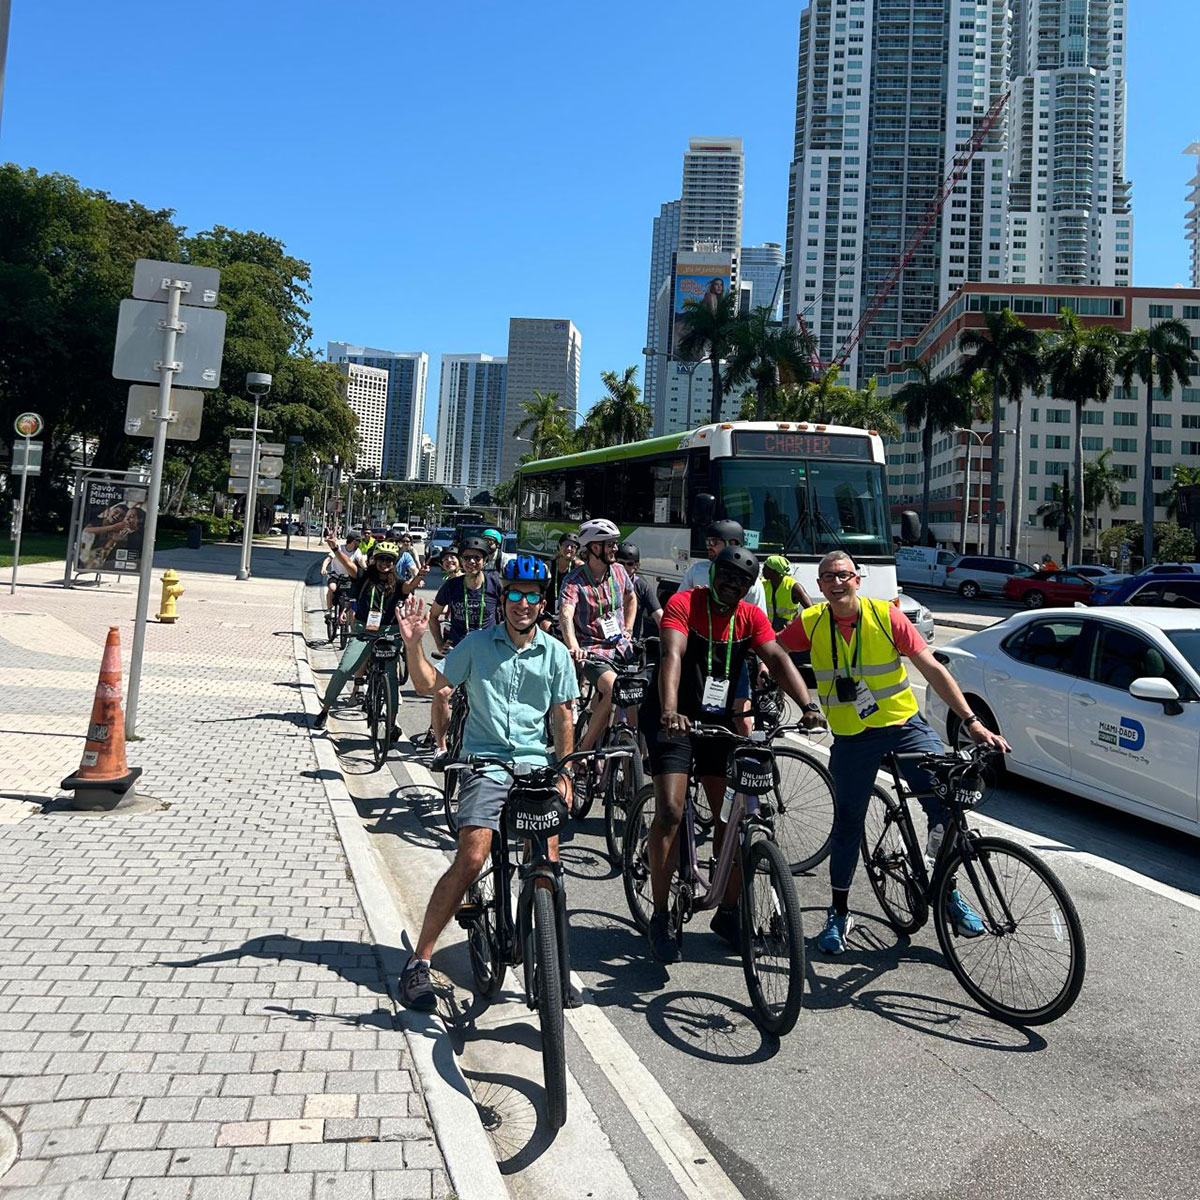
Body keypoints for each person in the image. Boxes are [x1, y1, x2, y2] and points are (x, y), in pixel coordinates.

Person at [776, 550, 1010, 954]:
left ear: (857, 580)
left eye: (843, 575)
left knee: (944, 803)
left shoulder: (886, 616)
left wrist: (971, 721)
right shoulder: (810, 622)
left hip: (904, 728)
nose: (836, 583)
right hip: (852, 737)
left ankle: (947, 891)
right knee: (848, 823)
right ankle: (839, 912)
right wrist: (764, 681)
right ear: (819, 586)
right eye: (828, 577)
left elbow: (932, 668)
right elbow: (773, 653)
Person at [395, 557, 579, 1010]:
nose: (523, 604)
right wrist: (414, 645)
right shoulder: (477, 646)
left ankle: (554, 966)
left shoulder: (555, 652)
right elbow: (429, 686)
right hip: (487, 764)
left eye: (532, 596)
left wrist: (566, 771)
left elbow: (562, 716)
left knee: (548, 866)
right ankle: (419, 961)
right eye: (515, 594)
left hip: (537, 767)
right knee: (473, 855)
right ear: (504, 599)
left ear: (542, 603)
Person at [639, 546, 825, 962]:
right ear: (713, 574)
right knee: (670, 810)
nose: (732, 584)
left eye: (741, 581)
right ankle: (662, 915)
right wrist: (670, 710)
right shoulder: (686, 603)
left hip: (719, 720)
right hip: (674, 717)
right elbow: (672, 654)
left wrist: (809, 706)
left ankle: (727, 910)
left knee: (735, 815)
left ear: (748, 587)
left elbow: (776, 657)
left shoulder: (750, 617)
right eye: (726, 576)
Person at [678, 519, 769, 731]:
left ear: (733, 542)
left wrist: (763, 665)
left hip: (734, 656)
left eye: (715, 541)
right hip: (699, 655)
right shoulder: (696, 570)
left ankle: (744, 759)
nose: (708, 545)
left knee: (743, 718)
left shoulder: (752, 581)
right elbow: (678, 607)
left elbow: (762, 628)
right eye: (708, 540)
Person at [311, 541, 407, 733]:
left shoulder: (398, 582)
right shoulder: (363, 576)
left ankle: (391, 724)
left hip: (388, 632)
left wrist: (420, 576)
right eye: (381, 559)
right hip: (364, 631)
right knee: (344, 668)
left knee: (392, 679)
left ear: (394, 562)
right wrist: (336, 549)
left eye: (389, 560)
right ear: (374, 560)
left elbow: (408, 587)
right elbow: (348, 564)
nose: (384, 563)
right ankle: (325, 709)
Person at [559, 518, 636, 754]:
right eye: (610, 544)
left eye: (615, 543)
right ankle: (583, 750)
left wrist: (629, 629)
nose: (616, 548)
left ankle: (634, 757)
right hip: (593, 651)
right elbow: (565, 614)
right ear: (594, 548)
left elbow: (631, 598)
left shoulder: (620, 571)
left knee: (638, 691)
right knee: (614, 687)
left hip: (622, 647)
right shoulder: (574, 581)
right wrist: (573, 645)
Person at [427, 536, 503, 765]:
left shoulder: (494, 584)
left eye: (477, 558)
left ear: (485, 560)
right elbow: (433, 617)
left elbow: (509, 612)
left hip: (488, 652)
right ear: (460, 560)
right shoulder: (451, 586)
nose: (471, 562)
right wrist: (440, 642)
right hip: (459, 651)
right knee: (441, 693)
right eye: (467, 558)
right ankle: (441, 747)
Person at [616, 542, 662, 642]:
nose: (624, 567)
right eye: (620, 563)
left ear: (637, 566)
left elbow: (659, 616)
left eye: (629, 564)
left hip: (632, 643)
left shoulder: (642, 586)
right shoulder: (605, 583)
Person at [760, 555, 813, 632]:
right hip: (767, 630)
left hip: (787, 632)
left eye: (766, 567)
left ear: (775, 572)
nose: (763, 570)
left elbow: (811, 609)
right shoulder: (762, 584)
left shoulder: (794, 587)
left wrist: (794, 623)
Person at [542, 532, 581, 628]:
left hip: (570, 616)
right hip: (549, 615)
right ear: (559, 547)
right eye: (565, 545)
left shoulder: (578, 568)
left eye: (573, 547)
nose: (569, 549)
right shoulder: (548, 566)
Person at [320, 531, 365, 614]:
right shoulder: (340, 549)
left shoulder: (357, 552)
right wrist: (324, 568)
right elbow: (328, 559)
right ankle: (329, 610)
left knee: (350, 595)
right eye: (359, 542)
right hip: (336, 575)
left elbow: (361, 562)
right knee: (332, 588)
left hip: (348, 577)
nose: (359, 544)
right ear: (354, 542)